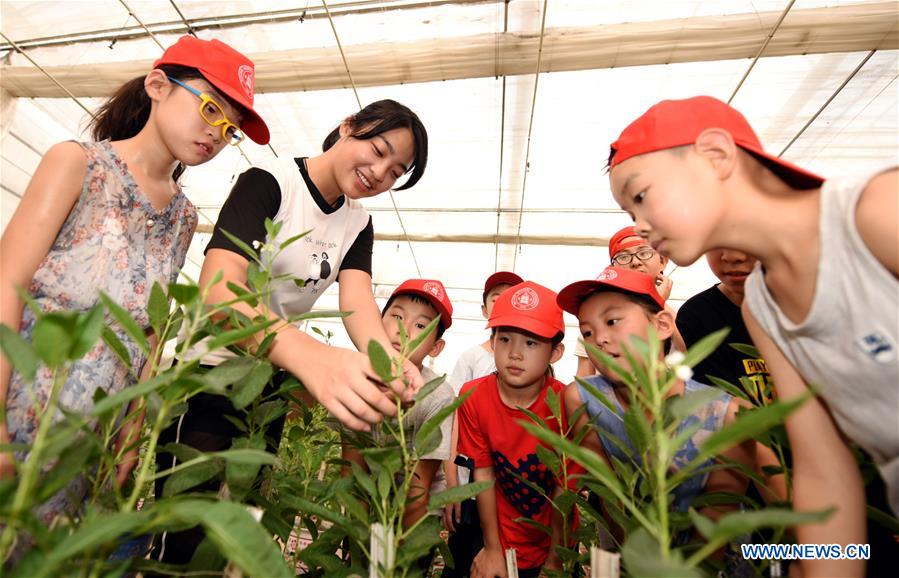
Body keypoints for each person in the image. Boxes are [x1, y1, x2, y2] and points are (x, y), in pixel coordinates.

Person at [607, 95, 897, 577]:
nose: (637, 224)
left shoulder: (875, 214)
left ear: (716, 156)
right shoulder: (763, 306)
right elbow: (824, 473)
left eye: (640, 196)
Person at [0, 35, 268, 529]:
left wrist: (132, 426)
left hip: (91, 441)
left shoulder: (185, 218)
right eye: (211, 109)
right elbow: (6, 284)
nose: (217, 133)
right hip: (22, 413)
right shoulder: (78, 164)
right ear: (157, 86)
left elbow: (151, 332)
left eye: (229, 129)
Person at [151, 98, 429, 567]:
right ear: (348, 127)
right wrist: (310, 357)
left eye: (396, 171)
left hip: (272, 381)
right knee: (181, 528)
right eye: (378, 149)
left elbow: (359, 304)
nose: (380, 172)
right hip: (211, 373)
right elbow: (221, 289)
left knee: (240, 526)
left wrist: (391, 362)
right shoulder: (270, 182)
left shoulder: (357, 222)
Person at [558, 267, 784, 551]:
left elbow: (785, 516)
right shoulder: (585, 400)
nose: (599, 339)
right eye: (587, 332)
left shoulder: (727, 415)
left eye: (613, 321)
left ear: (662, 325)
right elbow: (610, 499)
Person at [341, 278, 455, 573]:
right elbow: (352, 472)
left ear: (436, 347)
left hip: (418, 510)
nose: (403, 329)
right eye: (396, 316)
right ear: (376, 320)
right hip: (371, 496)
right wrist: (359, 544)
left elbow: (419, 487)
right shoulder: (357, 381)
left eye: (421, 326)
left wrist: (393, 560)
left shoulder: (437, 396)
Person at [457, 281, 569, 578]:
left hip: (550, 539)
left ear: (555, 353)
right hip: (497, 532)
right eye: (505, 339)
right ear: (492, 342)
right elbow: (483, 473)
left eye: (531, 343)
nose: (515, 353)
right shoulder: (473, 397)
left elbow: (564, 488)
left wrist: (556, 559)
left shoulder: (566, 405)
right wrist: (493, 548)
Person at [442, 270, 521, 577]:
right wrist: (452, 486)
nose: (504, 303)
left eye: (513, 297)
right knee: (462, 563)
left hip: (512, 493)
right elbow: (453, 421)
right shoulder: (471, 358)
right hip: (469, 489)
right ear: (485, 310)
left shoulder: (532, 359)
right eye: (496, 297)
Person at [676, 249, 772, 401]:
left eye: (745, 240)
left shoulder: (806, 306)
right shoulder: (698, 316)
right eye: (716, 243)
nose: (732, 256)